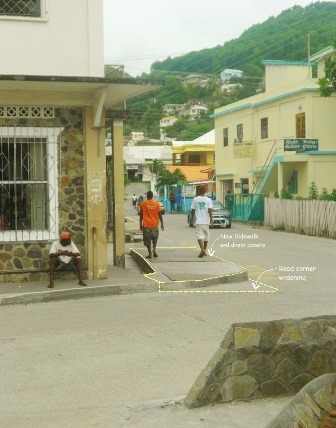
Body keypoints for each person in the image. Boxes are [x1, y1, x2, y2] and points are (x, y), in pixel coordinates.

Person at [139, 190, 164, 259]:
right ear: (152, 196)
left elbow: (141, 215)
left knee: (147, 239)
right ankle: (154, 249)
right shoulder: (156, 204)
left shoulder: (143, 204)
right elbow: (160, 214)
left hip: (146, 224)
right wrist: (162, 224)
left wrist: (140, 224)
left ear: (147, 196)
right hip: (155, 224)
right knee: (155, 237)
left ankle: (150, 254)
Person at [190, 185, 214, 258]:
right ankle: (204, 250)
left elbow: (193, 210)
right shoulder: (208, 200)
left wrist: (191, 219)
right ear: (205, 191)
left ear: (199, 191)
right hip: (206, 221)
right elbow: (210, 210)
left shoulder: (195, 199)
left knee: (199, 235)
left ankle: (202, 249)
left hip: (198, 221)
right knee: (206, 235)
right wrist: (211, 219)